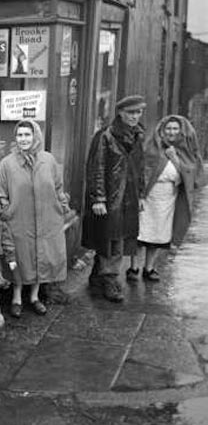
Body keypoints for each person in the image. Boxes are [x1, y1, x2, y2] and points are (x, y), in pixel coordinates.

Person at [0, 120, 70, 317]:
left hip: (46, 218)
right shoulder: (7, 163)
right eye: (19, 135)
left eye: (27, 134)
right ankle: (17, 297)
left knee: (40, 255)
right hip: (19, 219)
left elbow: (58, 186)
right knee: (20, 257)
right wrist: (7, 210)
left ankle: (35, 297)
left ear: (36, 136)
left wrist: (62, 207)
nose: (23, 139)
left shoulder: (48, 160)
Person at [82, 95, 147, 303]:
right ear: (120, 113)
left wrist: (141, 194)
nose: (135, 116)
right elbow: (97, 167)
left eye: (138, 112)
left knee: (118, 237)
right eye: (131, 112)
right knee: (112, 239)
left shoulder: (137, 136)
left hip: (128, 196)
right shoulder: (106, 136)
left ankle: (97, 275)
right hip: (111, 197)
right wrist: (98, 198)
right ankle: (110, 279)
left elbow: (139, 168)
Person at [127, 115, 204, 282]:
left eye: (175, 129)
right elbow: (141, 171)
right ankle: (134, 267)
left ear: (181, 131)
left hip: (168, 198)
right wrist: (140, 195)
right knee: (140, 233)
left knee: (158, 234)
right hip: (148, 196)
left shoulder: (186, 151)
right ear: (162, 130)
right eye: (168, 128)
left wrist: (175, 158)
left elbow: (192, 178)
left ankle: (149, 268)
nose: (171, 132)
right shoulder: (152, 147)